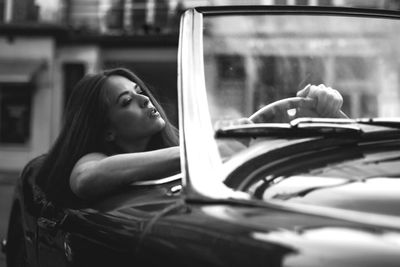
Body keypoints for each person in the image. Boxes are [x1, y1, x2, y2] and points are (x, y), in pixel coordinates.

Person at [36, 67, 344, 207]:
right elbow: (85, 178)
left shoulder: (181, 147)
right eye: (126, 101)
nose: (145, 100)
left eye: (140, 92)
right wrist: (207, 148)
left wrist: (329, 113)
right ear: (107, 130)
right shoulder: (92, 160)